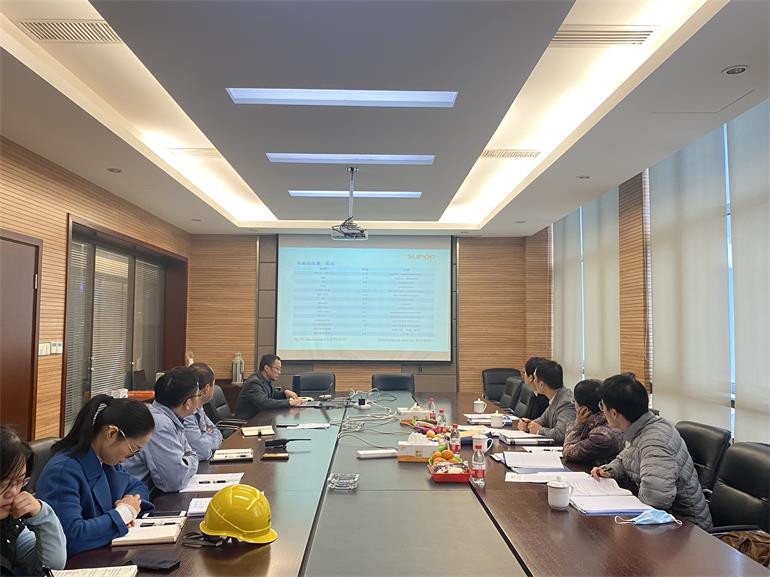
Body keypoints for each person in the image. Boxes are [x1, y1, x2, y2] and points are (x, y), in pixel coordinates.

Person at [35, 396, 155, 556]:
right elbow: (70, 536)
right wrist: (124, 513)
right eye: (133, 449)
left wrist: (128, 503)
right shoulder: (63, 471)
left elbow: (138, 487)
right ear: (112, 433)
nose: (131, 457)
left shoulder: (107, 460)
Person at [591, 373, 712, 530]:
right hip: (662, 520)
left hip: (686, 528)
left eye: (602, 406)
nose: (602, 410)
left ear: (614, 414)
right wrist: (609, 471)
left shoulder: (655, 440)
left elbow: (656, 500)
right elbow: (627, 457)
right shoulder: (640, 427)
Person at [0, 426, 66, 576]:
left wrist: (42, 514)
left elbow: (51, 566)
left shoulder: (8, 523)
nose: (13, 492)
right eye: (3, 483)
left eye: (19, 481)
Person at [124, 366, 201, 492]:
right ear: (187, 403)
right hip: (135, 497)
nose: (199, 399)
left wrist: (186, 463)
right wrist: (190, 462)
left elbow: (190, 454)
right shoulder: (159, 424)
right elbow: (175, 481)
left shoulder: (169, 416)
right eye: (198, 395)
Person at [562, 379, 623, 466]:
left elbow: (568, 453)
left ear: (584, 410)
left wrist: (578, 424)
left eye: (574, 401)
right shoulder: (599, 422)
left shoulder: (601, 435)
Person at [518, 360, 576, 443]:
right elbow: (542, 420)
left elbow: (561, 434)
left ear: (541, 385)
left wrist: (539, 430)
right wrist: (527, 424)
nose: (533, 381)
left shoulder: (566, 402)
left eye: (535, 378)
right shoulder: (555, 398)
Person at [234, 355, 304, 421]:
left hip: (261, 419)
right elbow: (264, 403)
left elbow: (274, 395)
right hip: (249, 423)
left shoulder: (266, 380)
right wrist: (289, 403)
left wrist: (285, 393)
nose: (279, 372)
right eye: (277, 369)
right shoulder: (254, 382)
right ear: (266, 368)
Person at [185, 363, 224, 460]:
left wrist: (204, 438)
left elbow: (217, 433)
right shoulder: (187, 412)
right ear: (207, 388)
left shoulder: (199, 407)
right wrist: (208, 436)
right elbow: (201, 451)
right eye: (213, 385)